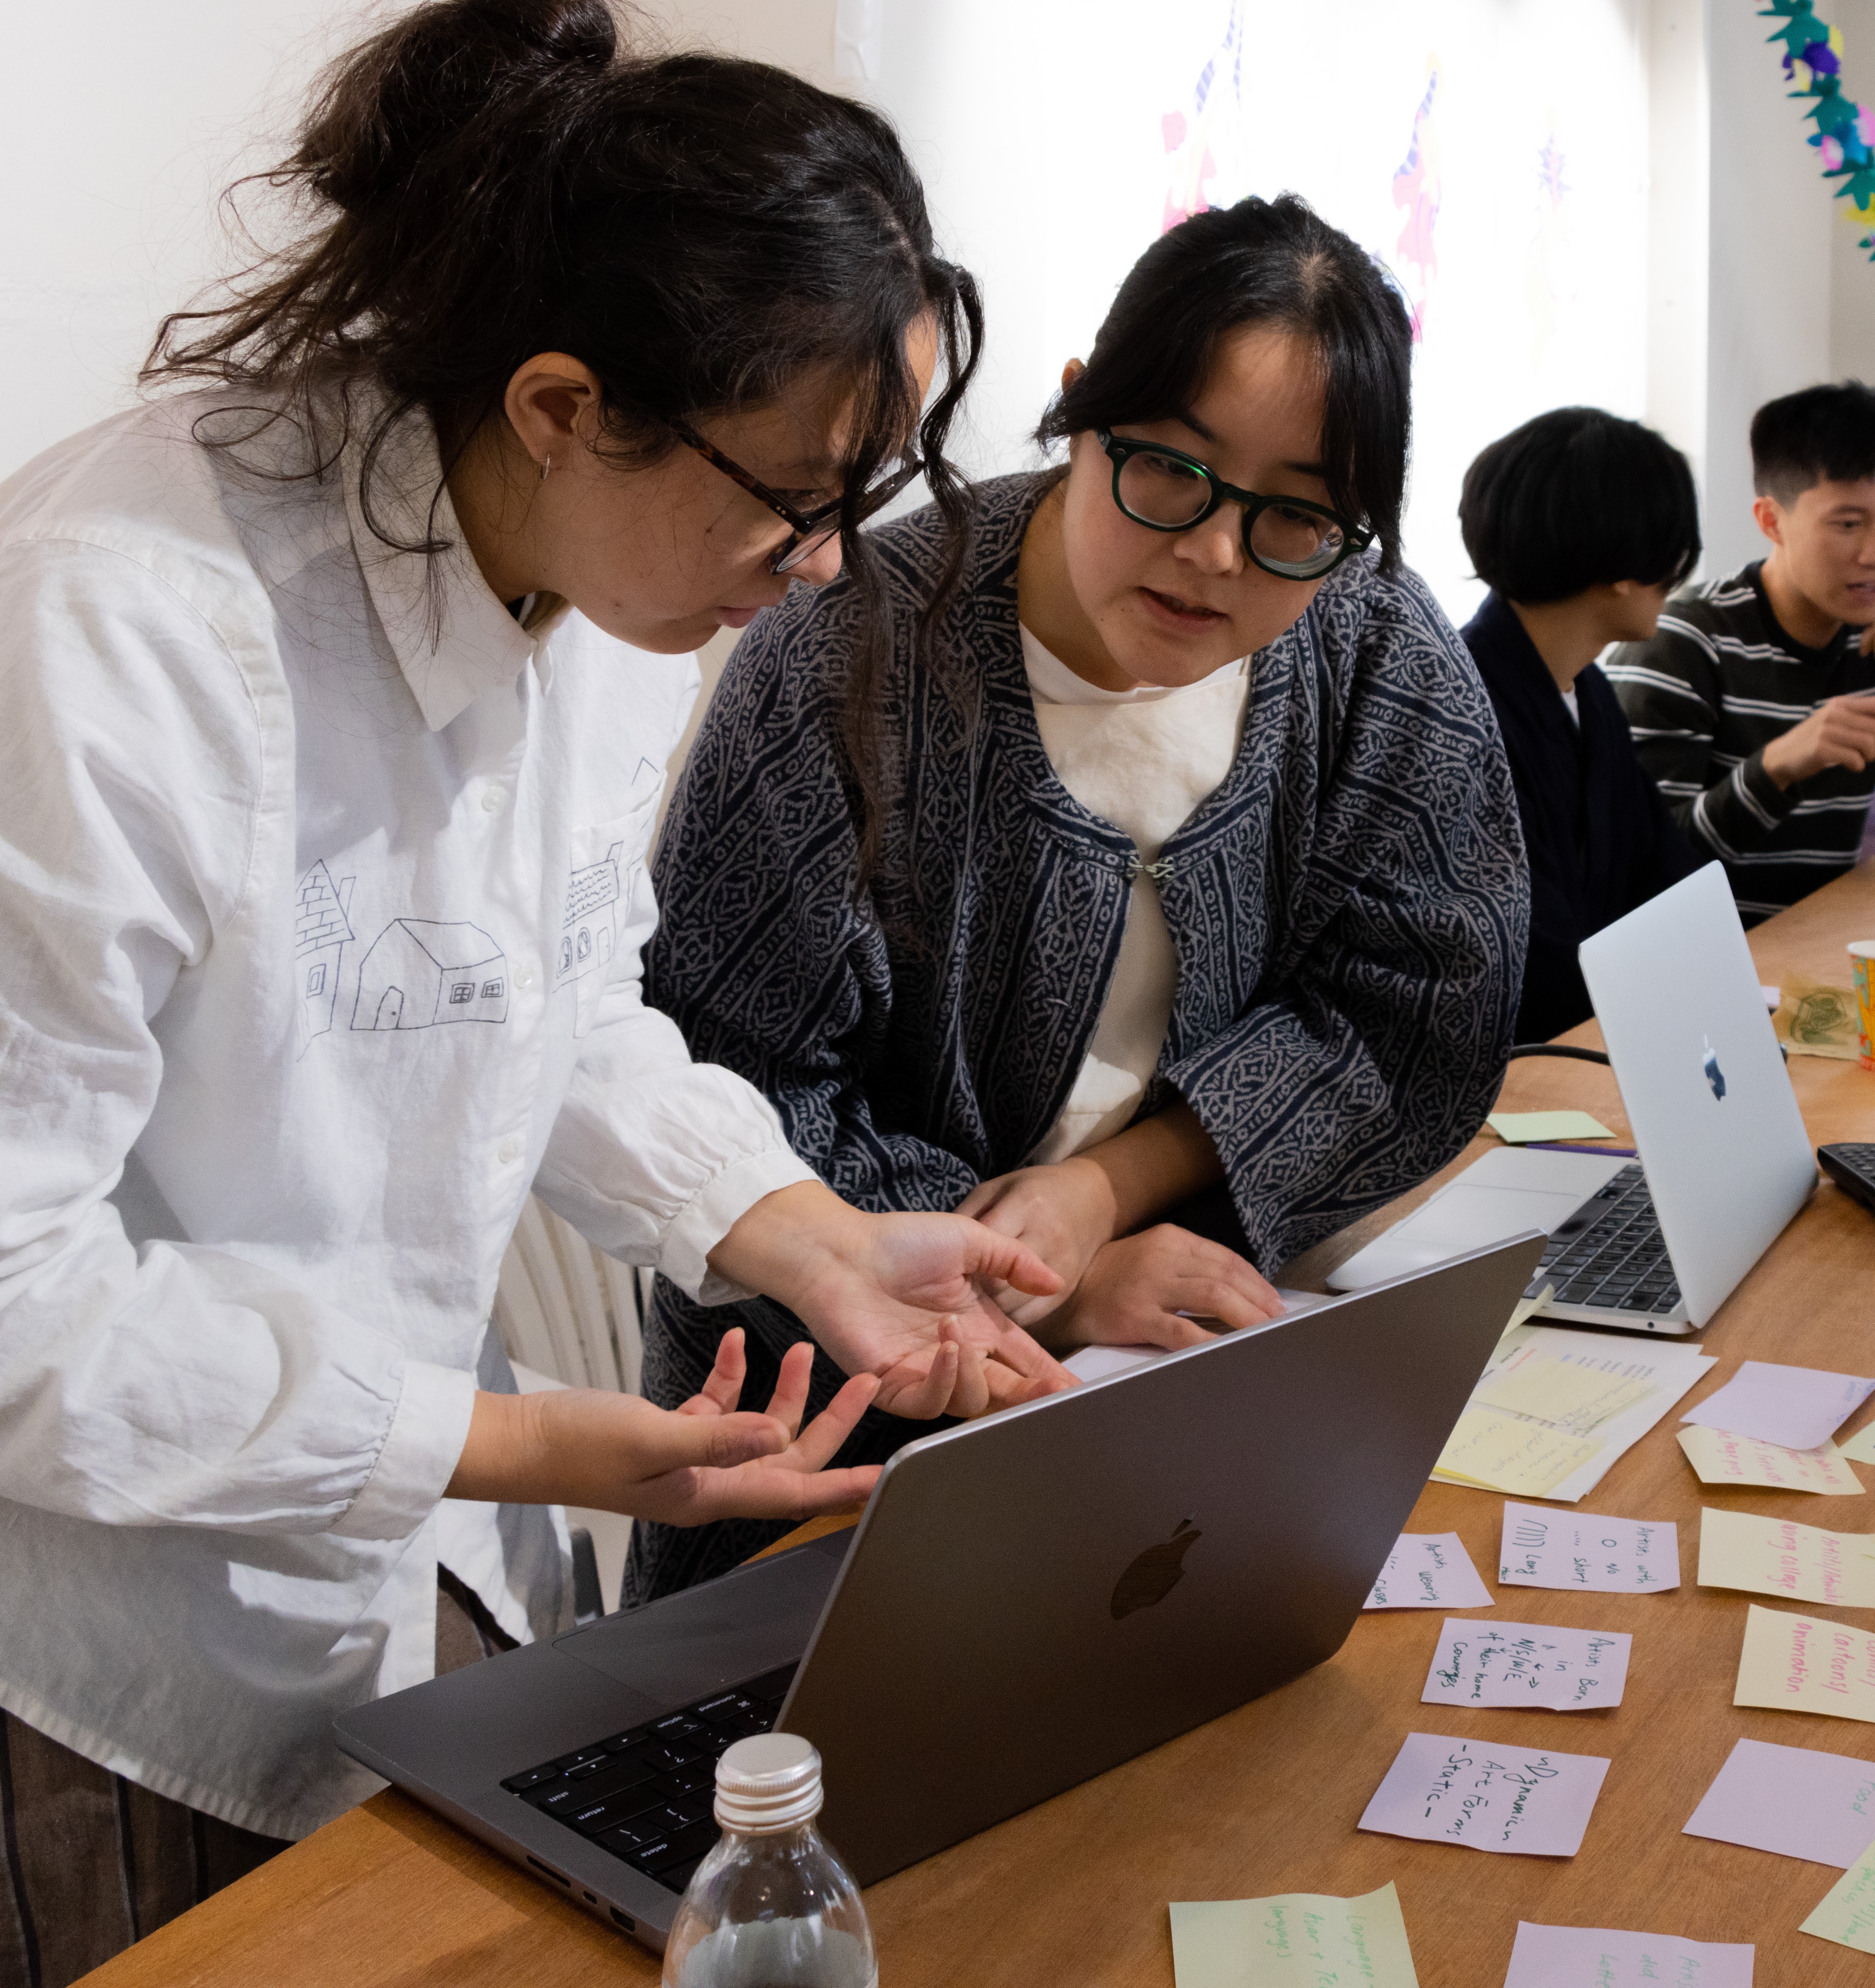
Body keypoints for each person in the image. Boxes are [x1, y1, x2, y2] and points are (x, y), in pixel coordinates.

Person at [0, 9, 1073, 1982]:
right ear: (566, 401)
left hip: (344, 1531)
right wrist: (510, 1443)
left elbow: (536, 999)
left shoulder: (580, 571)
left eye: (868, 495)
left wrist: (804, 1233)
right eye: (795, 499)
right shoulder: (114, 628)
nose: (822, 567)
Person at [640, 195, 1528, 1600]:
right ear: (1077, 412)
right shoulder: (848, 657)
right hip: (838, 1439)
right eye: (1170, 470)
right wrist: (1043, 1282)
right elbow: (741, 1097)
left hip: (1194, 1390)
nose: (1217, 554)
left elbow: (1413, 1021)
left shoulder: (1370, 647)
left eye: (1297, 513)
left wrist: (1110, 1190)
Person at [1614, 380, 1875, 921]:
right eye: (1848, 524)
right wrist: (1779, 767)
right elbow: (1646, 874)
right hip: (1703, 976)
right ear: (1771, 520)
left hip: (1812, 958)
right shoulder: (1684, 640)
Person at [1455, 407, 1708, 1040]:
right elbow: (1529, 956)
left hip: (1589, 1032)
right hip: (1520, 1064)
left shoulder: (1586, 688)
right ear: (1625, 568)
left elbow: (1666, 875)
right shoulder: (1464, 707)